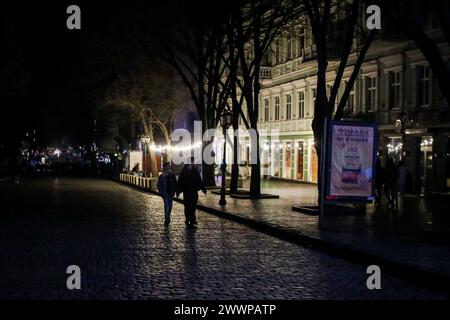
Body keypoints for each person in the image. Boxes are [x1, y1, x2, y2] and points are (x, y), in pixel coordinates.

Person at [176, 159, 207, 227]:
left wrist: (203, 189)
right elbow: (180, 181)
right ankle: (187, 218)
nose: (193, 163)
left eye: (193, 162)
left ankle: (192, 219)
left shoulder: (195, 170)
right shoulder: (184, 171)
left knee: (193, 206)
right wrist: (178, 191)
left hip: (194, 192)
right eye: (192, 162)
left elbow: (199, 180)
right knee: (187, 206)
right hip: (187, 192)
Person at [157, 162, 177, 226]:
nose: (169, 167)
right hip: (165, 193)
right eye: (168, 166)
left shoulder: (171, 175)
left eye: (169, 166)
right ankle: (167, 219)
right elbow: (159, 185)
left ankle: (168, 216)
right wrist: (161, 192)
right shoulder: (162, 176)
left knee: (170, 206)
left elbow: (175, 183)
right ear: (165, 167)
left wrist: (176, 191)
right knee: (167, 206)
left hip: (170, 193)